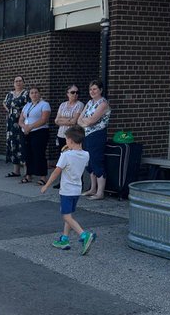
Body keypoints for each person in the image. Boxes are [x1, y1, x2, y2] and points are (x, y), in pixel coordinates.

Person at [40, 124, 94, 253]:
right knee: (69, 215)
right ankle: (65, 239)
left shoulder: (66, 155)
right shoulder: (86, 154)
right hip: (77, 190)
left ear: (70, 140)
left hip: (66, 190)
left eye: (66, 140)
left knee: (66, 216)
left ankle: (84, 235)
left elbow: (56, 172)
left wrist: (46, 185)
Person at [80, 80, 111, 199]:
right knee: (89, 162)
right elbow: (79, 119)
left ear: (101, 90)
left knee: (97, 160)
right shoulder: (89, 102)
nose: (92, 92)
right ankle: (93, 189)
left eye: (95, 89)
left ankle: (100, 192)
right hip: (87, 134)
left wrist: (86, 121)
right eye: (90, 89)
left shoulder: (103, 103)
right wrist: (86, 122)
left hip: (97, 135)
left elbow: (92, 120)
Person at [20, 85, 51, 183]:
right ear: (29, 95)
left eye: (36, 92)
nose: (34, 94)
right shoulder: (27, 105)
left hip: (39, 132)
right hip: (26, 132)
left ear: (39, 93)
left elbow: (44, 119)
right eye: (32, 93)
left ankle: (42, 177)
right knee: (27, 154)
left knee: (39, 154)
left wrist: (30, 127)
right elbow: (21, 119)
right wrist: (24, 127)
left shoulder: (44, 104)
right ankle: (28, 175)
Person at [3, 76, 28, 177]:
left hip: (21, 122)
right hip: (10, 123)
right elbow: (4, 103)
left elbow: (30, 105)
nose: (18, 83)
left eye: (20, 81)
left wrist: (20, 113)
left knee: (22, 145)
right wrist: (9, 111)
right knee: (13, 144)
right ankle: (16, 171)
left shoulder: (26, 94)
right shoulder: (10, 94)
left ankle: (27, 172)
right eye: (16, 81)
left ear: (23, 82)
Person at [54, 84, 85, 154]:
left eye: (77, 92)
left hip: (72, 135)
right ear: (67, 94)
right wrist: (69, 119)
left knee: (71, 155)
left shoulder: (80, 104)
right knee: (62, 154)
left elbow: (74, 121)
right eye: (73, 92)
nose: (75, 94)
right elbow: (56, 120)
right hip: (61, 134)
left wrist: (62, 119)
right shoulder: (62, 105)